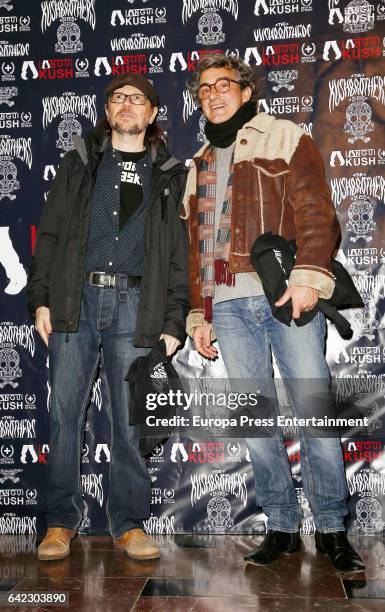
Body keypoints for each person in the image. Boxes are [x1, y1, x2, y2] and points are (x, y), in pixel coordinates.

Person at [183, 53, 364, 571]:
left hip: (284, 295)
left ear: (246, 91)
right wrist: (200, 313)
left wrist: (309, 277)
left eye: (224, 84)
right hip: (228, 305)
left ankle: (332, 528)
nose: (213, 93)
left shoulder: (284, 136)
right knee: (254, 419)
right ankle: (282, 525)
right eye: (204, 88)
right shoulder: (197, 164)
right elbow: (196, 249)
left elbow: (314, 207)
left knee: (314, 410)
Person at [27, 74, 189, 561]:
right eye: (118, 98)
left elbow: (180, 257)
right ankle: (59, 523)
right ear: (107, 109)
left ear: (153, 114)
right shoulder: (79, 163)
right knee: (64, 417)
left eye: (137, 99)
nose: (126, 104)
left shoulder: (170, 174)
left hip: (137, 307)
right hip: (75, 301)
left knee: (130, 422)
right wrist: (41, 298)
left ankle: (129, 524)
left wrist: (174, 321)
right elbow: (50, 235)